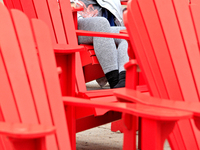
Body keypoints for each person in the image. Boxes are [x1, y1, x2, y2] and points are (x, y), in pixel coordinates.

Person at [75, 0, 129, 88]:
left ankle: (124, 80)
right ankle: (114, 81)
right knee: (101, 23)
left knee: (125, 33)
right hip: (73, 24)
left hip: (103, 25)